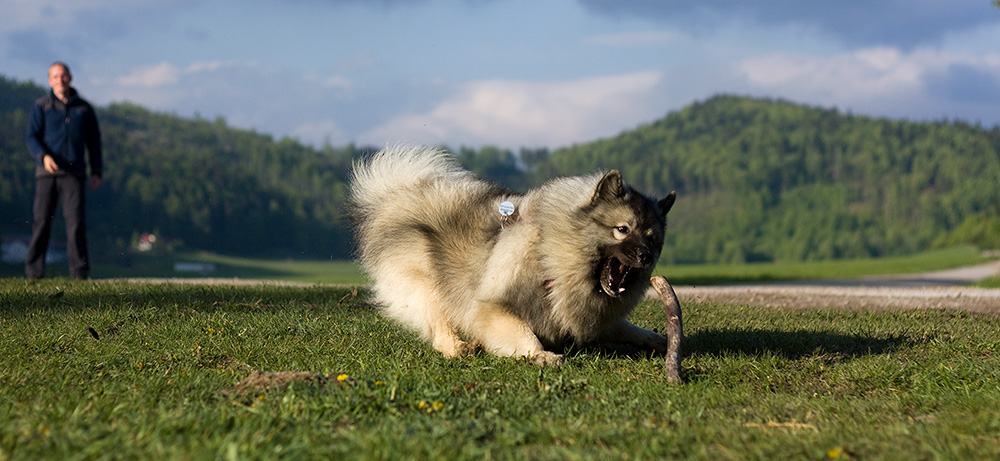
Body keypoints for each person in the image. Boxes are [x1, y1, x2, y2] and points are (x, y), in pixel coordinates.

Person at [23, 62, 103, 280]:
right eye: (56, 76)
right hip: (46, 173)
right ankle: (34, 273)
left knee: (76, 223)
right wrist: (44, 157)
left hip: (74, 173)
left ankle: (79, 273)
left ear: (70, 77)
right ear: (50, 81)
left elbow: (94, 142)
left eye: (63, 75)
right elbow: (31, 137)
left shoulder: (84, 109)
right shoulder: (42, 105)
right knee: (41, 222)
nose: (60, 80)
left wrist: (97, 171)